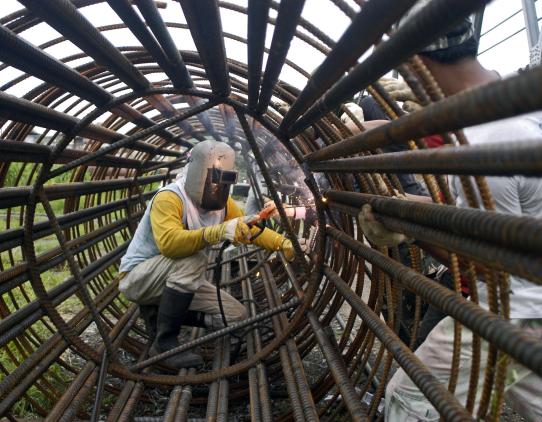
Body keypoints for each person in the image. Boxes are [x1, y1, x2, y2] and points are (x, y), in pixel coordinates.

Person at [358, 5, 542, 420]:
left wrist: (409, 229)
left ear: (416, 65)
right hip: (532, 305)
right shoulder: (512, 104)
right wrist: (418, 210)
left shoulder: (484, 142)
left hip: (514, 311)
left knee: (411, 399)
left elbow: (486, 265)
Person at [118, 140, 301, 369]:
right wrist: (219, 232)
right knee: (193, 258)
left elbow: (248, 227)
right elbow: (169, 244)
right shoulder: (170, 198)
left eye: (225, 179)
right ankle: (164, 343)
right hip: (138, 279)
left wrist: (283, 243)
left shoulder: (223, 205)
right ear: (197, 173)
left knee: (236, 315)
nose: (218, 187)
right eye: (214, 178)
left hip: (174, 279)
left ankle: (159, 311)